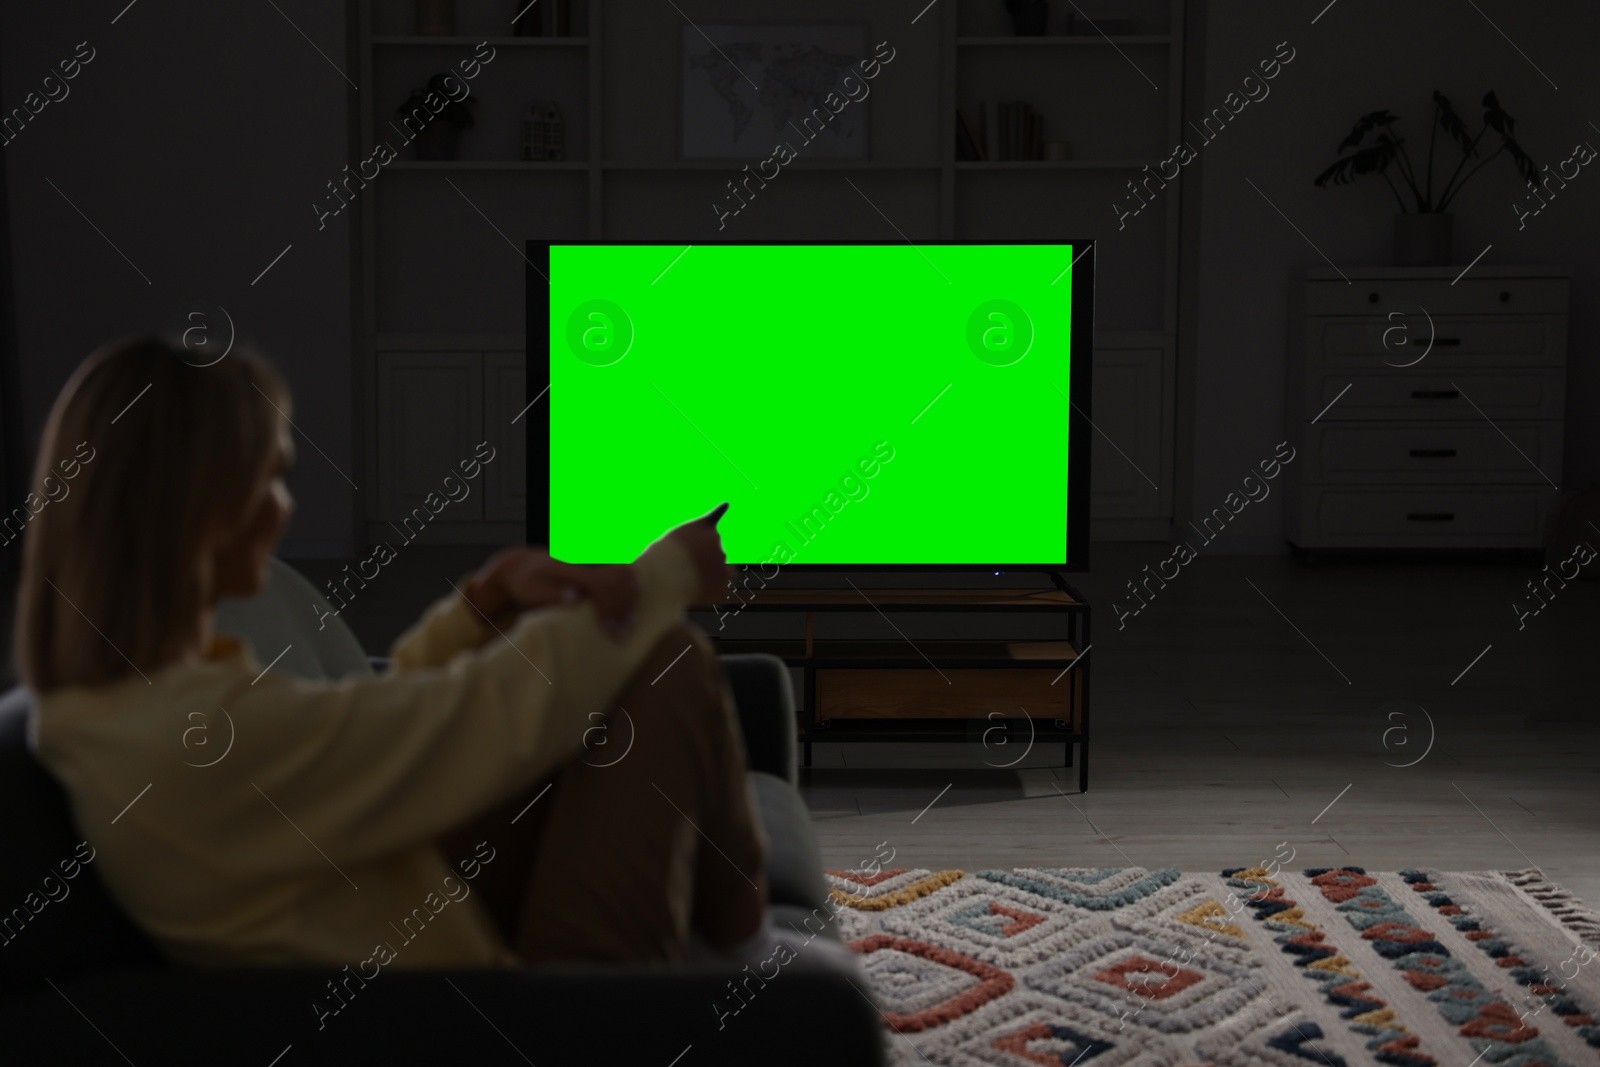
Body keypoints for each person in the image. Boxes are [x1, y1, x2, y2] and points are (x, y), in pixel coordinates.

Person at [18, 335, 777, 971]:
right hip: (512, 1014)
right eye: (272, 479)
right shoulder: (190, 737)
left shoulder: (125, 707)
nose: (285, 508)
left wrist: (489, 599)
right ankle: (754, 977)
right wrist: (668, 574)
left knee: (631, 660)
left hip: (414, 897)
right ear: (208, 512)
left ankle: (742, 951)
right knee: (670, 661)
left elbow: (373, 729)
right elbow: (473, 720)